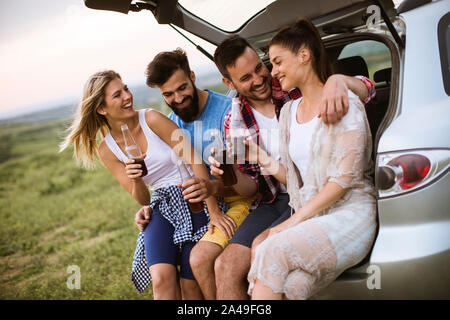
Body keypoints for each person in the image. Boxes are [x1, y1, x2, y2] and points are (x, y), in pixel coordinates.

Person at [207, 35, 376, 299]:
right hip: (276, 196)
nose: (262, 77)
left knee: (265, 246)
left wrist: (338, 80)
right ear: (229, 83)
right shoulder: (234, 122)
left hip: (312, 195)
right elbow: (252, 187)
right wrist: (230, 174)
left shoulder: (292, 88)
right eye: (246, 78)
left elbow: (367, 90)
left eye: (260, 67)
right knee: (224, 265)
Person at [59, 70, 224, 300]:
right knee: (160, 279)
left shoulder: (152, 119)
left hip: (193, 195)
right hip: (161, 205)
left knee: (190, 287)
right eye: (117, 95)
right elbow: (143, 199)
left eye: (125, 89)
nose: (127, 96)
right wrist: (136, 178)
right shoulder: (107, 150)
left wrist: (213, 210)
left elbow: (194, 160)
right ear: (102, 109)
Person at [135, 48, 259, 300]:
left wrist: (214, 202)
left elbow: (249, 181)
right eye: (168, 94)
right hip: (197, 209)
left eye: (182, 88)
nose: (178, 98)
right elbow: (169, 178)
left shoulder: (228, 113)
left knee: (198, 259)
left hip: (239, 201)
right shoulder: (171, 124)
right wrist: (150, 207)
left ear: (192, 76)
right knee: (174, 271)